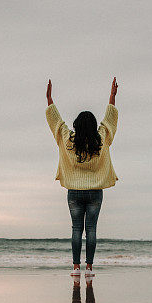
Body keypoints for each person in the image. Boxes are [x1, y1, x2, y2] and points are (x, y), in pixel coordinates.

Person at [45, 77, 119, 277]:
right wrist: (112, 96)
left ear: (76, 125)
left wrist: (49, 99)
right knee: (92, 230)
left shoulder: (68, 141)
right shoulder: (101, 140)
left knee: (77, 229)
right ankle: (90, 268)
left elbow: (57, 123)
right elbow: (109, 121)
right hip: (95, 192)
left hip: (75, 192)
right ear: (93, 125)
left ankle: (76, 267)